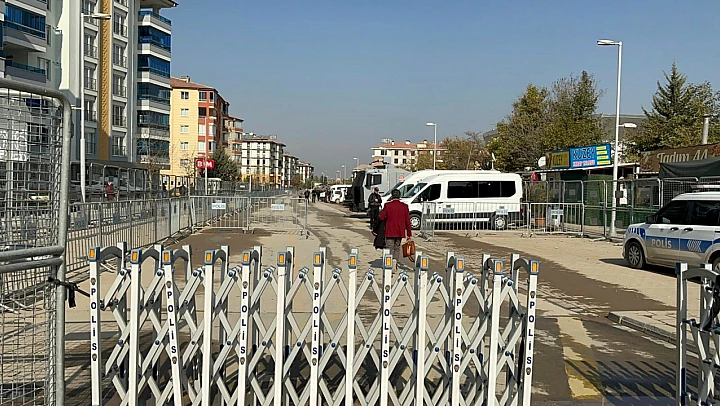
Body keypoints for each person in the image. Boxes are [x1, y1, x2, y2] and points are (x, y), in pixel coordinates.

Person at [378, 189, 412, 265]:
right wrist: (409, 233)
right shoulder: (404, 206)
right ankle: (395, 261)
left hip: (390, 230)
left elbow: (381, 217)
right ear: (399, 196)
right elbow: (407, 221)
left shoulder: (387, 205)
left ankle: (389, 263)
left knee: (389, 247)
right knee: (397, 247)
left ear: (392, 196)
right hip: (400, 231)